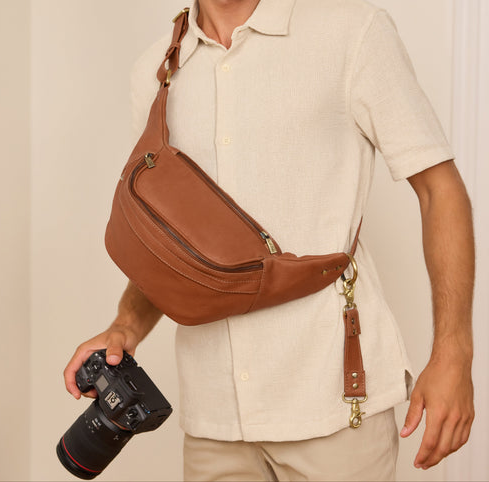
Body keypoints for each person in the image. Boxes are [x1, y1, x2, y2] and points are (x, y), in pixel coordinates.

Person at [64, 0, 475, 480]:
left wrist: (454, 353)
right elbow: (170, 243)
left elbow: (439, 189)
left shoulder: (352, 32)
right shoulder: (157, 71)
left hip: (334, 410)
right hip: (214, 424)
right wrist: (125, 327)